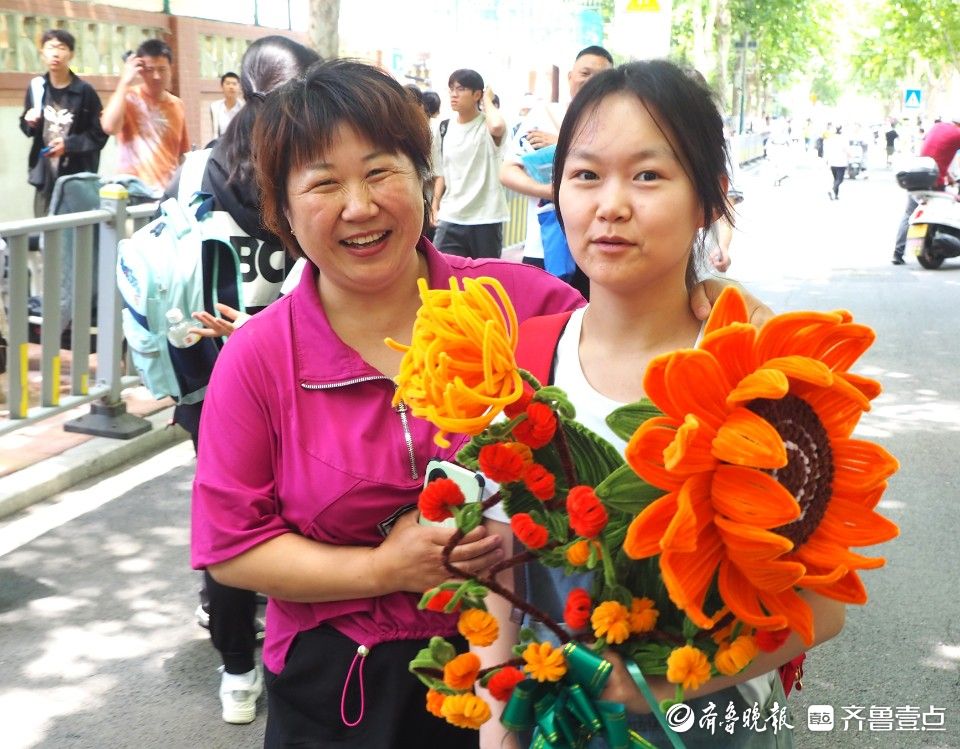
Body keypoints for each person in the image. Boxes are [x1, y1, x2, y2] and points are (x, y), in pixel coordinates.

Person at [189, 58, 760, 749]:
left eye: (379, 172)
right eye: (323, 183)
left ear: (430, 187)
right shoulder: (259, 358)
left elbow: (631, 338)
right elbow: (232, 546)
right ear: (281, 210)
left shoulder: (520, 306)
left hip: (529, 670)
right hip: (345, 682)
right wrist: (380, 568)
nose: (359, 205)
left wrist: (728, 310)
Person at [477, 60, 845, 749]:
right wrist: (498, 734)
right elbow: (500, 575)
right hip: (554, 724)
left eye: (648, 175)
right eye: (585, 175)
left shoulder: (765, 379)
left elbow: (820, 608)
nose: (610, 204)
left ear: (711, 199)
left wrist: (652, 686)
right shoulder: (521, 363)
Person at [162, 35, 319, 726]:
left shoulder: (198, 166)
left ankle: (237, 671)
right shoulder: (308, 164)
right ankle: (306, 651)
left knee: (233, 524)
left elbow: (166, 261)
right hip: (303, 367)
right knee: (305, 512)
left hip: (210, 376)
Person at [500, 46, 614, 279]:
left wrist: (562, 143)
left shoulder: (621, 121)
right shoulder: (543, 115)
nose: (592, 81)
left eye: (601, 76)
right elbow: (508, 172)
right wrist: (551, 191)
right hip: (545, 245)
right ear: (570, 76)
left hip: (603, 247)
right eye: (585, 73)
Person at [19, 28, 108, 217]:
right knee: (45, 234)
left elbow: (99, 134)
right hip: (45, 178)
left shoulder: (85, 92)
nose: (56, 53)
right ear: (42, 53)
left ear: (71, 54)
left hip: (76, 179)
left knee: (75, 237)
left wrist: (68, 145)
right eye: (50, 47)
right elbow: (27, 127)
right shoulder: (37, 88)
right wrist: (30, 122)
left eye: (62, 47)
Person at [431, 68, 508, 259]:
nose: (453, 94)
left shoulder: (487, 125)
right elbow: (441, 171)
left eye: (460, 89)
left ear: (476, 94)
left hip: (486, 217)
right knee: (444, 277)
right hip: (451, 216)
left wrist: (488, 100)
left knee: (484, 282)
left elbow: (497, 126)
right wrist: (435, 204)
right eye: (451, 89)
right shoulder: (444, 127)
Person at [100, 38, 190, 193]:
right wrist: (125, 81)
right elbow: (109, 127)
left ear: (171, 69)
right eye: (149, 70)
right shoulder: (127, 97)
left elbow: (181, 154)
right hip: (133, 191)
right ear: (140, 70)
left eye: (162, 69)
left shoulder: (177, 105)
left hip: (167, 193)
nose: (156, 76)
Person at [892, 113, 960, 265]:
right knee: (953, 204)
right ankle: (946, 237)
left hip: (916, 176)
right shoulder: (957, 133)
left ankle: (897, 253)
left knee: (909, 213)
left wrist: (948, 174)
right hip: (934, 180)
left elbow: (934, 153)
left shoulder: (937, 127)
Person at [210, 71, 243, 139]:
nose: (231, 87)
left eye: (234, 84)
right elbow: (215, 133)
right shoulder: (215, 107)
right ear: (222, 87)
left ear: (239, 87)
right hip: (220, 145)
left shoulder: (244, 107)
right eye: (228, 83)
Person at [823, 125, 849, 200]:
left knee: (835, 179)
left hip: (832, 162)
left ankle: (836, 195)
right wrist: (850, 155)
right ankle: (832, 190)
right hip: (841, 163)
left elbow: (827, 150)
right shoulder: (843, 139)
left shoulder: (830, 139)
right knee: (839, 179)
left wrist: (827, 161)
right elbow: (846, 150)